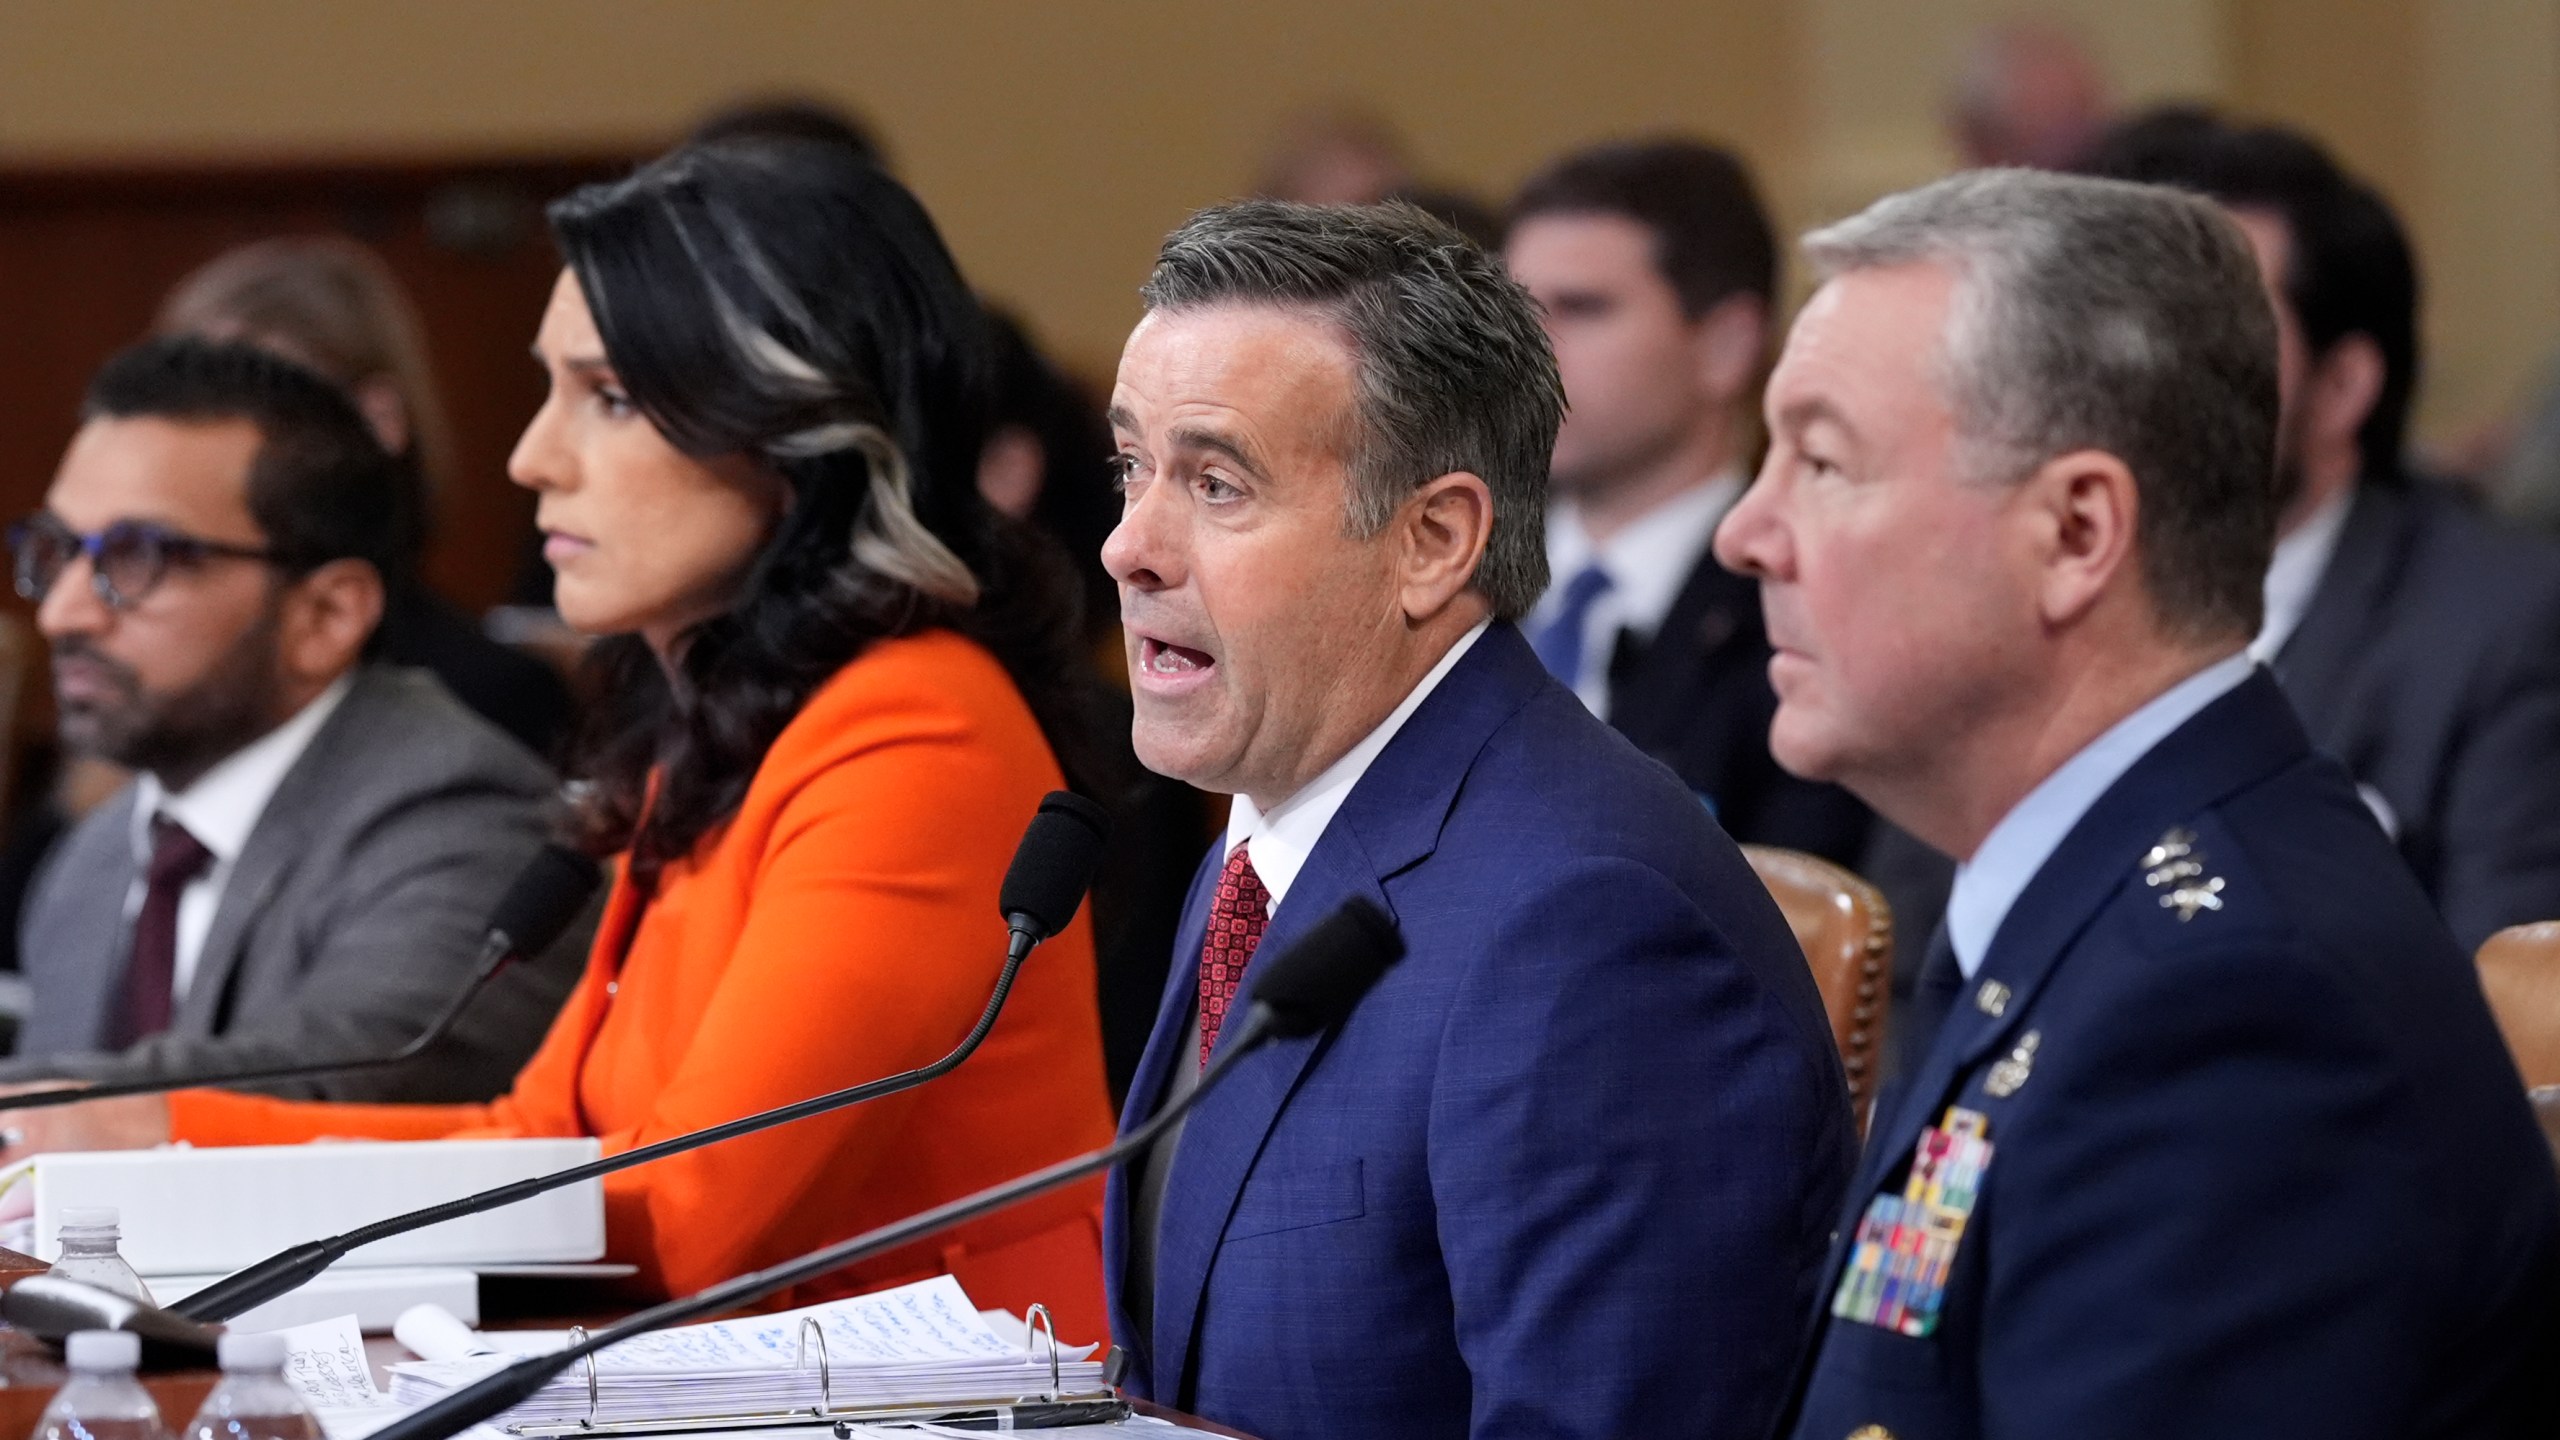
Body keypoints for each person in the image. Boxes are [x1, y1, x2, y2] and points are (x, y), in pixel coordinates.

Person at [0, 138, 1120, 1333]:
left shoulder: (910, 730)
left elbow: (697, 1213)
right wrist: (130, 1133)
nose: (534, 459)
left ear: (795, 431)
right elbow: (535, 1134)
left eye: (612, 399)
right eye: (550, 389)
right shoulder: (713, 726)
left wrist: (156, 1147)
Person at [1715, 167, 2560, 1437]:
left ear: (2074, 533)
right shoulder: (2081, 898)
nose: (1747, 531)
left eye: (1823, 462)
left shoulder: (2224, 1012)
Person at [1102, 199, 1854, 1440]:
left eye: (1217, 483)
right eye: (1132, 468)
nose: (1130, 545)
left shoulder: (1590, 929)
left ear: (1434, 540)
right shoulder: (1270, 831)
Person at [0, 337, 574, 1099]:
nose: (64, 613)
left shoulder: (459, 816)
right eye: (61, 550)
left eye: (138, 557)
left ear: (327, 615)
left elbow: (357, 1073)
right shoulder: (91, 864)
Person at [2075, 108, 2560, 951]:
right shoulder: (2047, 582)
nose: (2139, 379)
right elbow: (1923, 965)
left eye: (2205, 338)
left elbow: (2513, 1012)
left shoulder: (2502, 626)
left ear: (2341, 388)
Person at [1506, 138, 1869, 862]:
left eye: (1579, 308)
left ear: (1725, 348)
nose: (1520, 348)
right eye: (1511, 308)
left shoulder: (1809, 612)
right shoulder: (1436, 581)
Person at [158, 236, 578, 758]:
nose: (210, 457)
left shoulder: (489, 692)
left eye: (256, 416)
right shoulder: (154, 661)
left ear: (377, 419)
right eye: (185, 416)